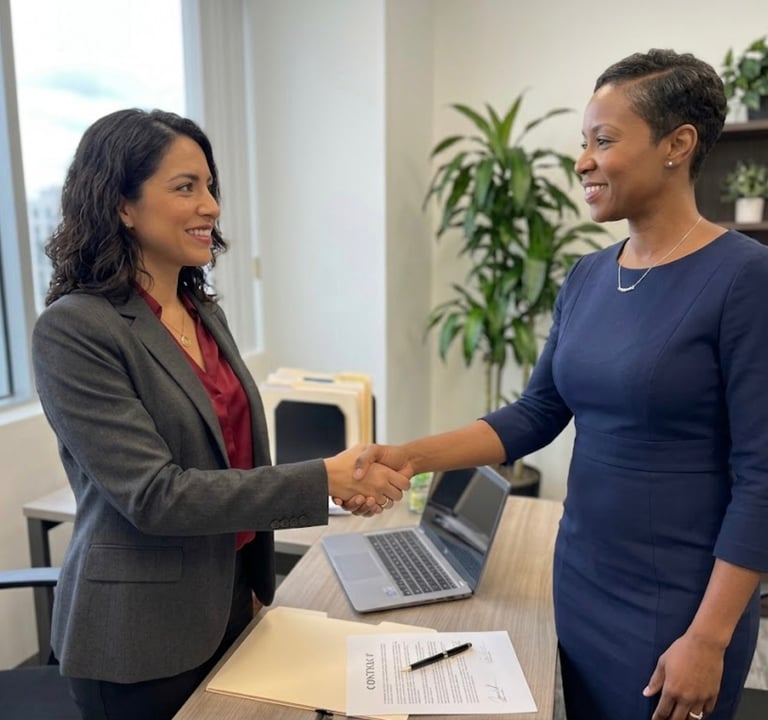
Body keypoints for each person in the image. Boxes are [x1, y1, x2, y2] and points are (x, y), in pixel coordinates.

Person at [350, 49, 768, 720]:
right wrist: (409, 456)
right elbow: (538, 412)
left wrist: (709, 638)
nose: (582, 162)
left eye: (604, 141)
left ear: (678, 145)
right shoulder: (588, 276)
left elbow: (762, 477)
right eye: (584, 142)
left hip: (680, 605)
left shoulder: (745, 279)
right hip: (581, 580)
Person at [31, 108, 409, 720]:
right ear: (122, 205)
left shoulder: (203, 312)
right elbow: (155, 496)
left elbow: (231, 458)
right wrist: (323, 479)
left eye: (210, 187)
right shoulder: (76, 328)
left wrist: (256, 578)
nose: (211, 206)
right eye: (186, 187)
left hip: (231, 600)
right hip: (140, 639)